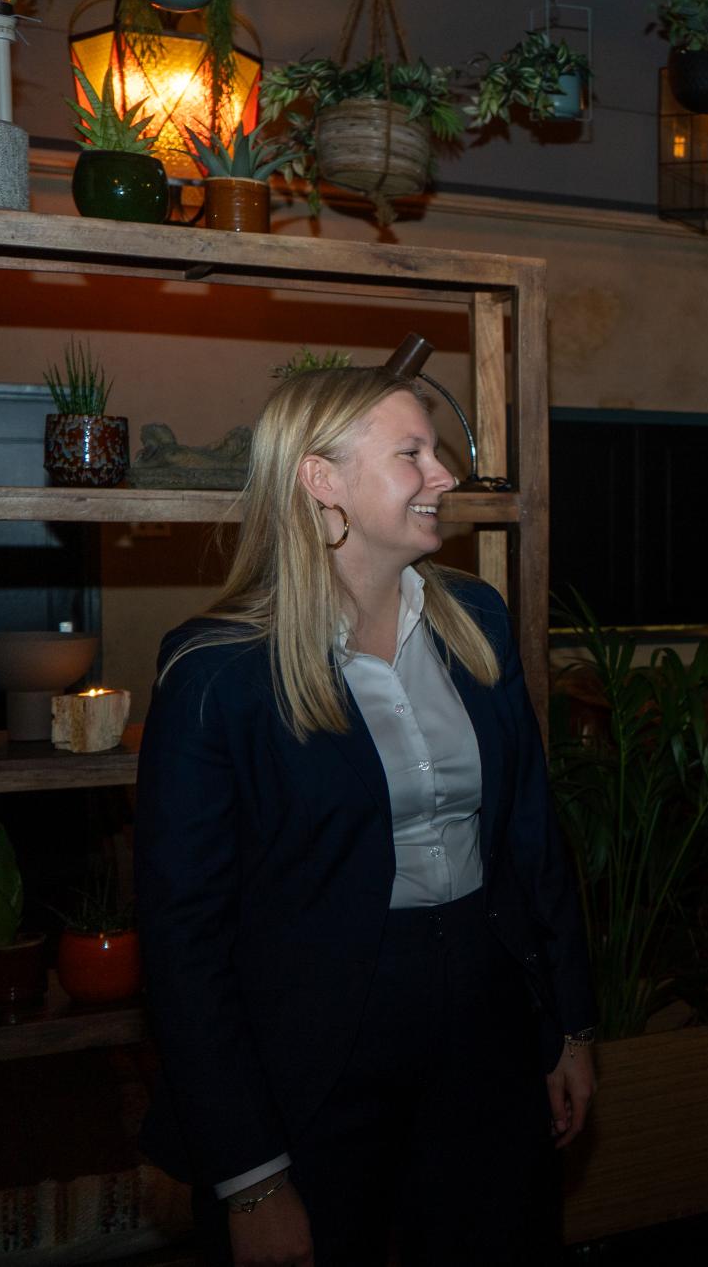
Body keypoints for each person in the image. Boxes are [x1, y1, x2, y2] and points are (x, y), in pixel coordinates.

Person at [135, 366, 597, 1266]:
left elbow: (533, 837)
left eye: (437, 453)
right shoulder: (217, 673)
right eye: (412, 454)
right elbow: (184, 946)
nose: (444, 475)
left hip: (489, 1023)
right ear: (322, 479)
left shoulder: (478, 619)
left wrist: (571, 1027)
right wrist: (252, 1178)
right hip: (313, 1054)